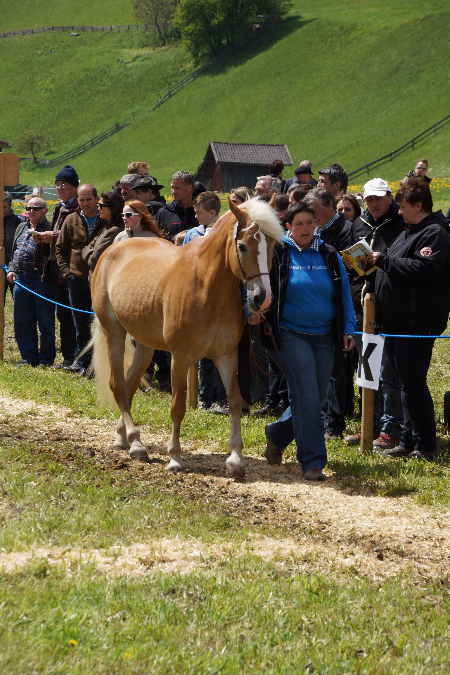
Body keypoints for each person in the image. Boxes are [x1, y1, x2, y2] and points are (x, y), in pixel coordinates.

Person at [250, 202, 355, 480]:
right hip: (289, 333)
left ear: (316, 224)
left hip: (325, 337)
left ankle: (277, 434)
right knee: (307, 394)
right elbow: (256, 281)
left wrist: (348, 328)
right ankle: (313, 461)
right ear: (288, 227)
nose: (305, 228)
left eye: (310, 223)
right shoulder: (278, 252)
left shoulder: (329, 254)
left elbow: (344, 293)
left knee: (314, 398)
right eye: (299, 224)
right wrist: (253, 309)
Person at [370, 178, 450, 461]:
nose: (400, 211)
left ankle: (426, 445)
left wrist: (383, 260)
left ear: (419, 205)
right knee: (405, 383)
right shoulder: (410, 230)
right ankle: (407, 441)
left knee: (413, 383)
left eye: (404, 207)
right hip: (396, 319)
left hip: (416, 321)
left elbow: (423, 269)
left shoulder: (435, 233)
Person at [344, 178, 405, 449]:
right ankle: (370, 423)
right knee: (367, 370)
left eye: (378, 198)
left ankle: (391, 429)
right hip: (361, 305)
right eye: (369, 199)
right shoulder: (359, 224)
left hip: (389, 306)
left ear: (390, 197)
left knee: (387, 373)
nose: (373, 203)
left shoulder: (401, 223)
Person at [56, 184, 105, 375]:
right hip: (76, 280)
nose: (85, 203)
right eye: (82, 200)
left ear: (96, 199)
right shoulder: (71, 219)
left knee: (101, 323)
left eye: (89, 199)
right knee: (80, 323)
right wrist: (67, 273)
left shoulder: (105, 219)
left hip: (100, 280)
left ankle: (99, 362)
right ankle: (81, 360)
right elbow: (60, 248)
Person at [6, 197, 56, 367]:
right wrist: (12, 268)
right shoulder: (21, 226)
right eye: (29, 208)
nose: (32, 211)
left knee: (45, 321)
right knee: (21, 321)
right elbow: (15, 250)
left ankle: (46, 359)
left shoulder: (50, 228)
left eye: (36, 208)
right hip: (20, 279)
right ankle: (29, 358)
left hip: (41, 279)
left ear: (45, 211)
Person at [40, 165, 78, 368]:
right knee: (62, 313)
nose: (60, 188)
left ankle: (79, 358)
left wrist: (52, 236)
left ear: (74, 186)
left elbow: (76, 233)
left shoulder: (79, 206)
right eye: (57, 184)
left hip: (71, 267)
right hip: (56, 264)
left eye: (64, 184)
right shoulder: (60, 207)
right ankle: (68, 357)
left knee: (75, 313)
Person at [82, 191, 125, 281]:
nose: (98, 209)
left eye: (101, 206)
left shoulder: (114, 231)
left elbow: (94, 260)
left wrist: (90, 252)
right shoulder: (106, 228)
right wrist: (91, 251)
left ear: (112, 208)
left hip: (102, 282)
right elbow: (86, 248)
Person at [156, 171, 197, 241]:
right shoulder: (163, 213)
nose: (173, 192)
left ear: (189, 188)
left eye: (177, 188)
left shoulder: (200, 211)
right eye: (172, 187)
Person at [3, 191, 24, 297]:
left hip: (14, 270)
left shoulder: (19, 221)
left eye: (4, 207)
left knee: (19, 301)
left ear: (10, 206)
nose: (1, 210)